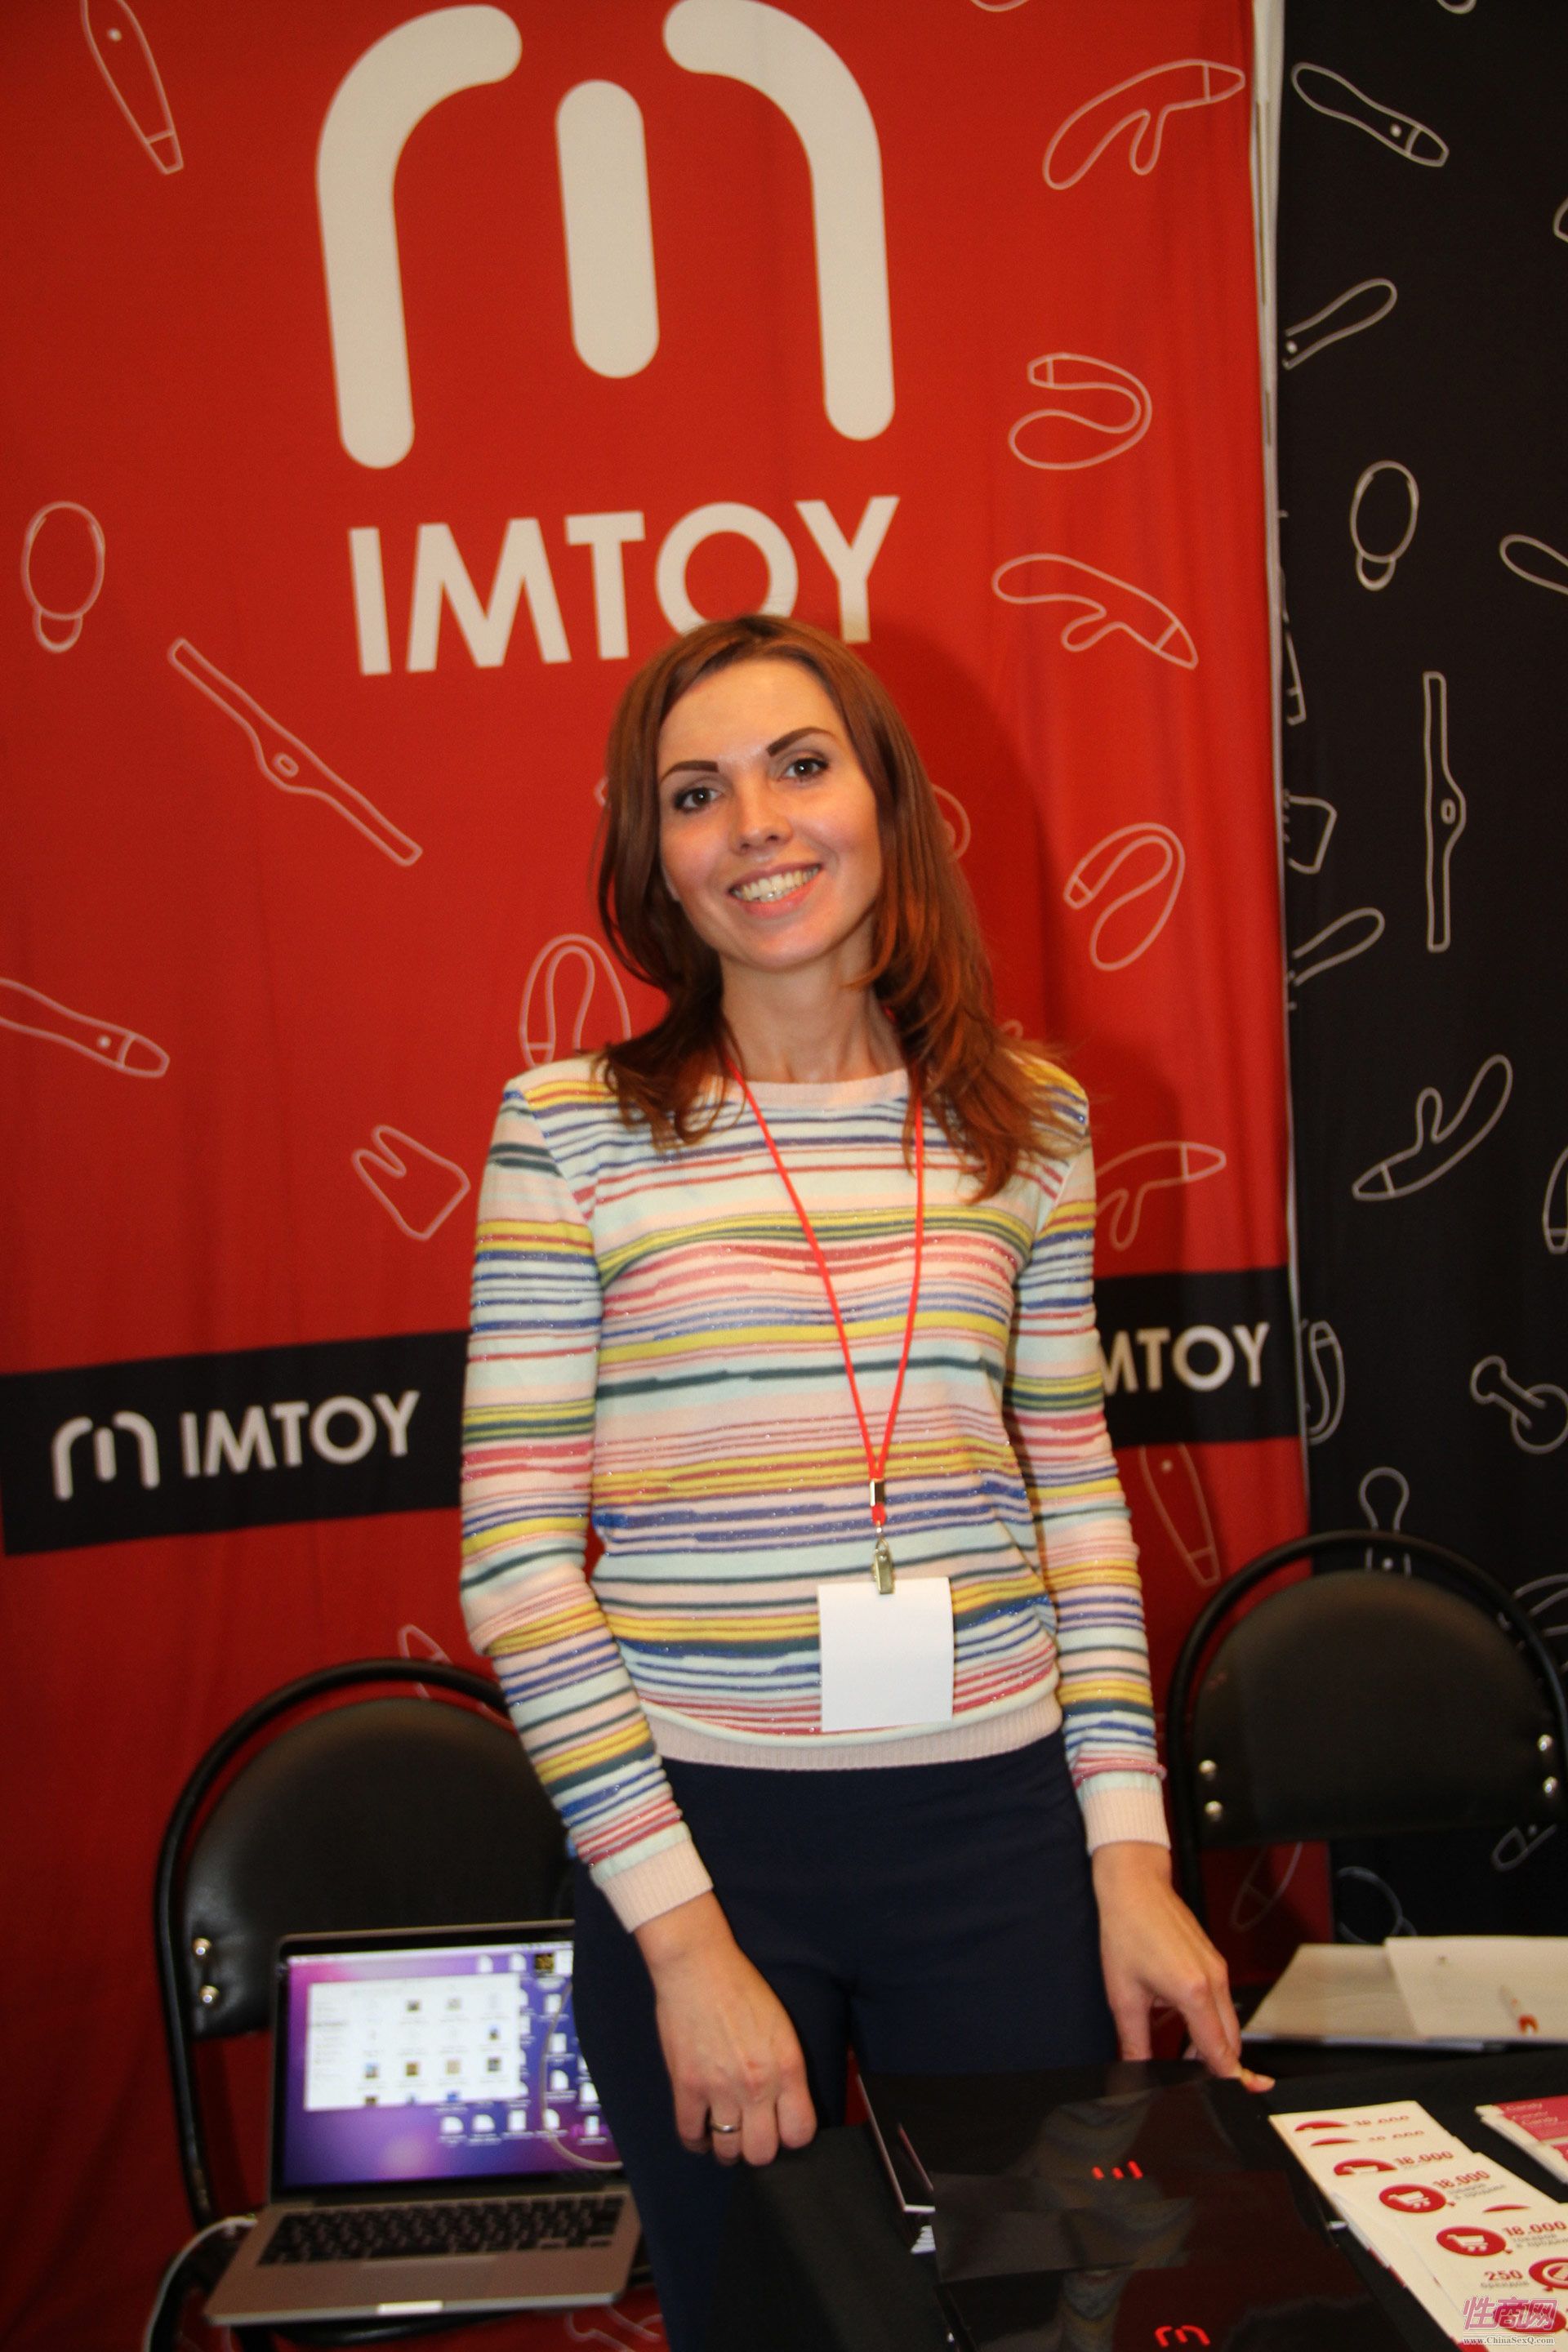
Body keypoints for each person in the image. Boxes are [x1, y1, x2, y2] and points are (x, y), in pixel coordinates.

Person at [461, 613, 1263, 2350]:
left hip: (998, 1842)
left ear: (886, 800)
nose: (756, 823)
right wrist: (685, 1945)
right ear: (653, 854)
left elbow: (1078, 1509)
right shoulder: (570, 1128)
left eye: (800, 766)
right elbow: (517, 1564)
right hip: (701, 1843)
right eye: (696, 792)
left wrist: (1128, 1855)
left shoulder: (1032, 1123)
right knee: (758, 2321)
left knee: (1039, 2317)